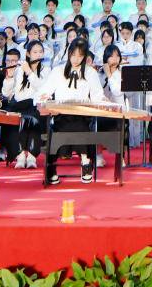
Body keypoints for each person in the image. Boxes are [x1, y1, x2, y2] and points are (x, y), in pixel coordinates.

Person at [37, 39, 122, 184]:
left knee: (81, 125)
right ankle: (57, 165)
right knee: (63, 126)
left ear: (84, 56)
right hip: (61, 115)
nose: (76, 59)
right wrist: (44, 99)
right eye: (73, 55)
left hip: (83, 115)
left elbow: (97, 95)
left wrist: (104, 101)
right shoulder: (58, 71)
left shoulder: (90, 72)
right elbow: (44, 92)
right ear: (69, 53)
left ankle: (85, 161)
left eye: (80, 56)